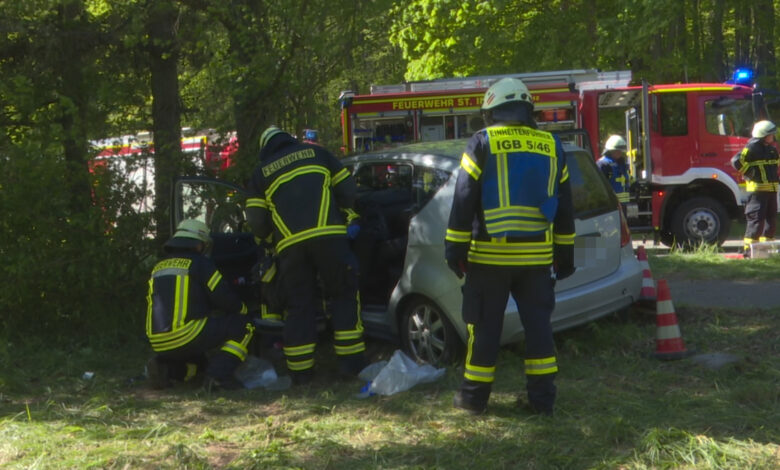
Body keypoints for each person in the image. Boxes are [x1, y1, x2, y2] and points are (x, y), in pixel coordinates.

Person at [445, 77, 576, 416]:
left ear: (491, 112)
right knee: (539, 331)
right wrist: (565, 255)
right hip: (536, 261)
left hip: (490, 259)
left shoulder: (482, 142)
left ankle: (473, 400)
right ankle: (542, 402)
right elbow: (565, 207)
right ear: (527, 110)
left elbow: (463, 198)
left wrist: (455, 249)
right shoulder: (552, 145)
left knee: (485, 330)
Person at [245, 125, 366, 385]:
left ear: (265, 148)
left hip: (290, 247)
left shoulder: (261, 172)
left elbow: (256, 221)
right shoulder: (319, 154)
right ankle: (351, 365)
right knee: (343, 295)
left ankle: (301, 374)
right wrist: (340, 214)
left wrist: (270, 240)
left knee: (299, 305)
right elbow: (348, 191)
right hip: (331, 238)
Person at [146, 219, 254, 390]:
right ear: (199, 244)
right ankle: (218, 376)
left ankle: (166, 369)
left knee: (200, 364)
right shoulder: (200, 263)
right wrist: (243, 309)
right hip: (188, 333)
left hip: (158, 340)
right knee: (245, 326)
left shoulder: (158, 267)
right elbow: (222, 296)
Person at [732, 120, 780, 256]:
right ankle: (749, 251)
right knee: (756, 220)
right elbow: (736, 161)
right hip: (757, 191)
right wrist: (751, 173)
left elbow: (776, 165)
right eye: (771, 134)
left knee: (771, 221)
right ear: (763, 135)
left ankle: (767, 251)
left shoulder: (771, 149)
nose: (773, 137)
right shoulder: (751, 148)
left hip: (771, 190)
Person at [596, 135, 631, 207]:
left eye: (621, 150)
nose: (620, 152)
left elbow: (626, 179)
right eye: (617, 150)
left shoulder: (621, 163)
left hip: (623, 205)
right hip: (611, 206)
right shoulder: (604, 164)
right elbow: (599, 186)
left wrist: (634, 184)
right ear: (610, 150)